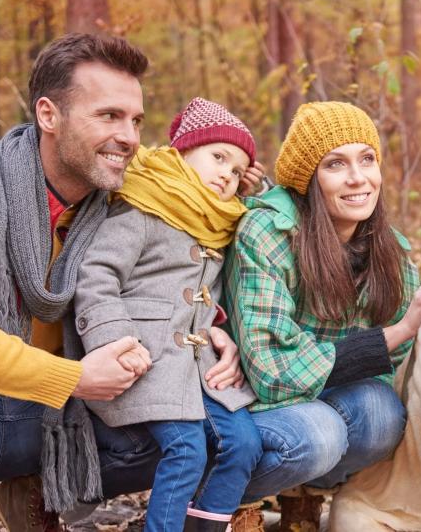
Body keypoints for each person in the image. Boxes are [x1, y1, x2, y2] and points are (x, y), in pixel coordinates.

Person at [0, 34, 249, 531]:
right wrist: (71, 377)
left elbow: (199, 245)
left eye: (136, 120)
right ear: (48, 115)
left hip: (68, 421)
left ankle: (44, 491)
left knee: (231, 432)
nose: (129, 137)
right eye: (108, 116)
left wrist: (218, 327)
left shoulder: (138, 197)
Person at [223, 101, 421, 532]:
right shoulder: (267, 233)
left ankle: (301, 496)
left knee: (381, 416)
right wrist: (394, 334)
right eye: (336, 164)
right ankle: (235, 498)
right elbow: (270, 371)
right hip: (249, 402)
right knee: (321, 434)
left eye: (367, 159)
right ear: (308, 178)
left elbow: (386, 368)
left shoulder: (387, 250)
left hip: (317, 392)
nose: (358, 178)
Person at [72, 97, 263, 532]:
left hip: (196, 367)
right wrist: (113, 340)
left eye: (236, 171)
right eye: (217, 157)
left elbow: (205, 294)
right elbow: (97, 274)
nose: (226, 176)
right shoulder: (142, 207)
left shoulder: (219, 221)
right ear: (181, 152)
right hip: (145, 358)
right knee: (187, 450)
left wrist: (217, 328)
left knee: (245, 443)